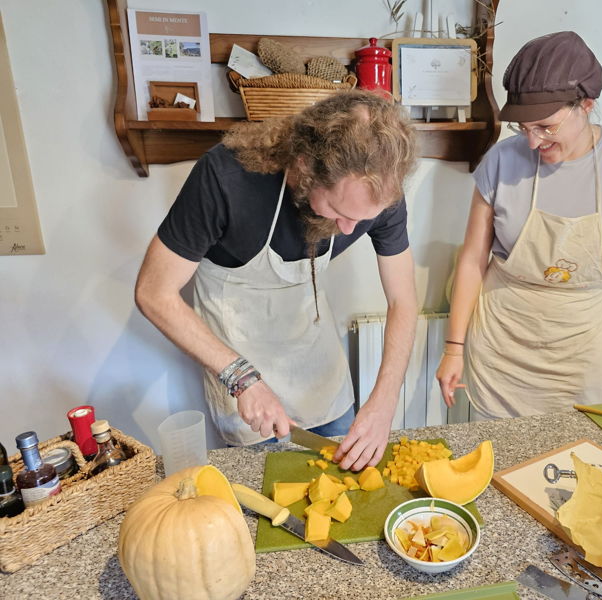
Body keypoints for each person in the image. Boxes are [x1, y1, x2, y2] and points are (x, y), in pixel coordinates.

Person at [135, 90, 418, 471]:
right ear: (304, 166)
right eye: (337, 211)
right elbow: (154, 293)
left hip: (321, 378)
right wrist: (242, 378)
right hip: (243, 385)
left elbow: (403, 300)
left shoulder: (381, 190)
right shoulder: (227, 179)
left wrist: (384, 403)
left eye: (364, 219)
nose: (351, 229)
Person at [436, 31, 602, 419]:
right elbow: (473, 258)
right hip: (504, 340)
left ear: (587, 104)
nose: (532, 141)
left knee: (574, 455)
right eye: (522, 128)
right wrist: (454, 347)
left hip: (583, 345)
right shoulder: (501, 162)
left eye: (546, 126)